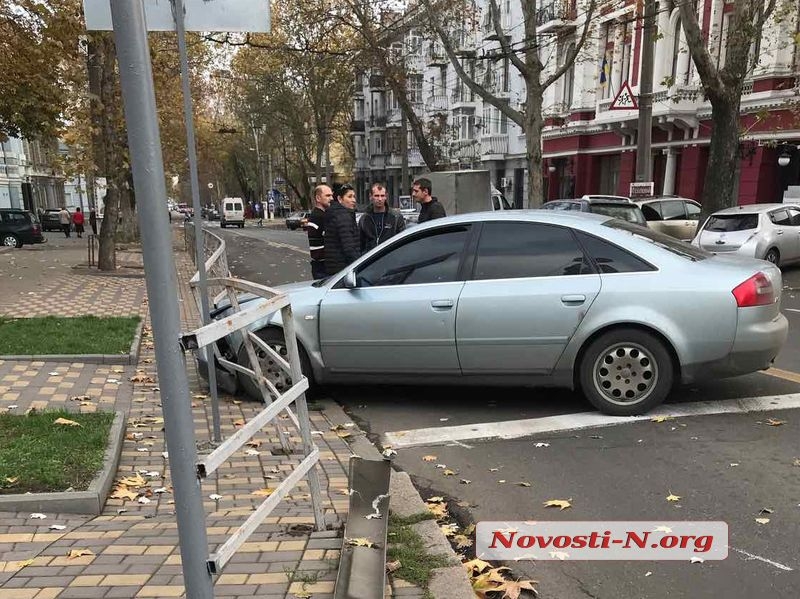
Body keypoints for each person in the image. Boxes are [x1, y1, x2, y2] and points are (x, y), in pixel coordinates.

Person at [324, 183, 360, 275]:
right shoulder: (343, 217)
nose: (353, 200)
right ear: (340, 199)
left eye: (354, 197)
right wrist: (360, 265)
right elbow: (349, 248)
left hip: (334, 268)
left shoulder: (335, 214)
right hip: (343, 269)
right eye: (350, 197)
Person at [360, 182, 405, 253]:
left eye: (382, 196)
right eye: (377, 196)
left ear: (386, 196)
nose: (380, 199)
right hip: (370, 259)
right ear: (370, 197)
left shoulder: (396, 217)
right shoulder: (364, 218)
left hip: (390, 257)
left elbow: (403, 241)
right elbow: (361, 243)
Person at [305, 184, 333, 279]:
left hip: (321, 265)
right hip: (323, 267)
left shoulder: (320, 215)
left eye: (332, 195)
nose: (331, 198)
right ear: (318, 198)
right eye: (328, 196)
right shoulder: (319, 217)